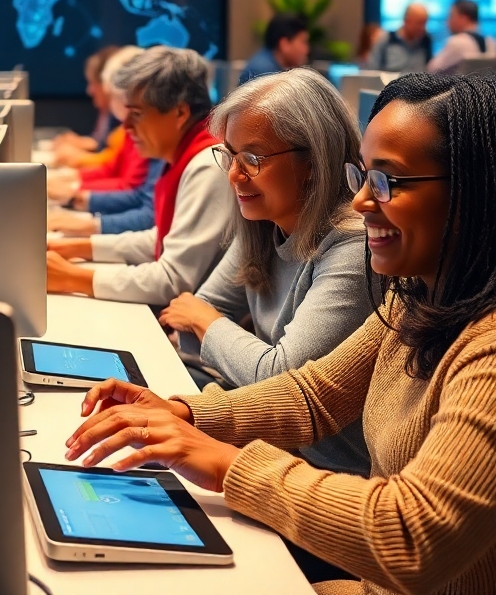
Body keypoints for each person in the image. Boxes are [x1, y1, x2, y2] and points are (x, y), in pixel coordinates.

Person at [65, 72, 496, 595]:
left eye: (386, 181)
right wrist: (182, 413)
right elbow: (314, 394)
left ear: (475, 193)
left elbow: (409, 538)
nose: (361, 202)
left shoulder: (486, 346)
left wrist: (226, 462)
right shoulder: (417, 298)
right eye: (362, 176)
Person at [158, 68, 373, 476]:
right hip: (268, 438)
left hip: (321, 472)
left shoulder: (353, 247)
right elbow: (189, 317)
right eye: (230, 155)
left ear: (313, 161)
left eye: (253, 159)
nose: (235, 175)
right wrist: (213, 328)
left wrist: (210, 325)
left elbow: (282, 379)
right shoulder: (263, 221)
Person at [46, 47, 231, 305]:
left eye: (137, 114)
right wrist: (74, 247)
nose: (126, 127)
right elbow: (162, 239)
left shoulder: (208, 167)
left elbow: (171, 279)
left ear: (180, 113)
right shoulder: (183, 151)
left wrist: (72, 277)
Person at [46, 47, 149, 204]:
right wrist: (74, 183)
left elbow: (132, 190)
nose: (126, 126)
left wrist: (75, 193)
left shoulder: (145, 130)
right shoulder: (134, 126)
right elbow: (113, 168)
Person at [51, 46, 120, 167]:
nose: (89, 91)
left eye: (93, 83)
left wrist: (79, 160)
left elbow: (117, 166)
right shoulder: (112, 113)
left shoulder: (121, 117)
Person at [238, 13, 310, 85]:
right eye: (303, 42)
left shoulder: (270, 65)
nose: (307, 50)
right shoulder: (263, 72)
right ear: (284, 44)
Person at [428, 0, 495, 73]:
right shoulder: (491, 42)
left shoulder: (457, 42)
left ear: (463, 18)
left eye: (451, 16)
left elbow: (432, 70)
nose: (447, 22)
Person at [366, 3, 432, 73]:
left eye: (424, 23)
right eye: (419, 23)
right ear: (407, 21)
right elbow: (372, 70)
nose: (422, 28)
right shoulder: (387, 39)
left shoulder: (426, 41)